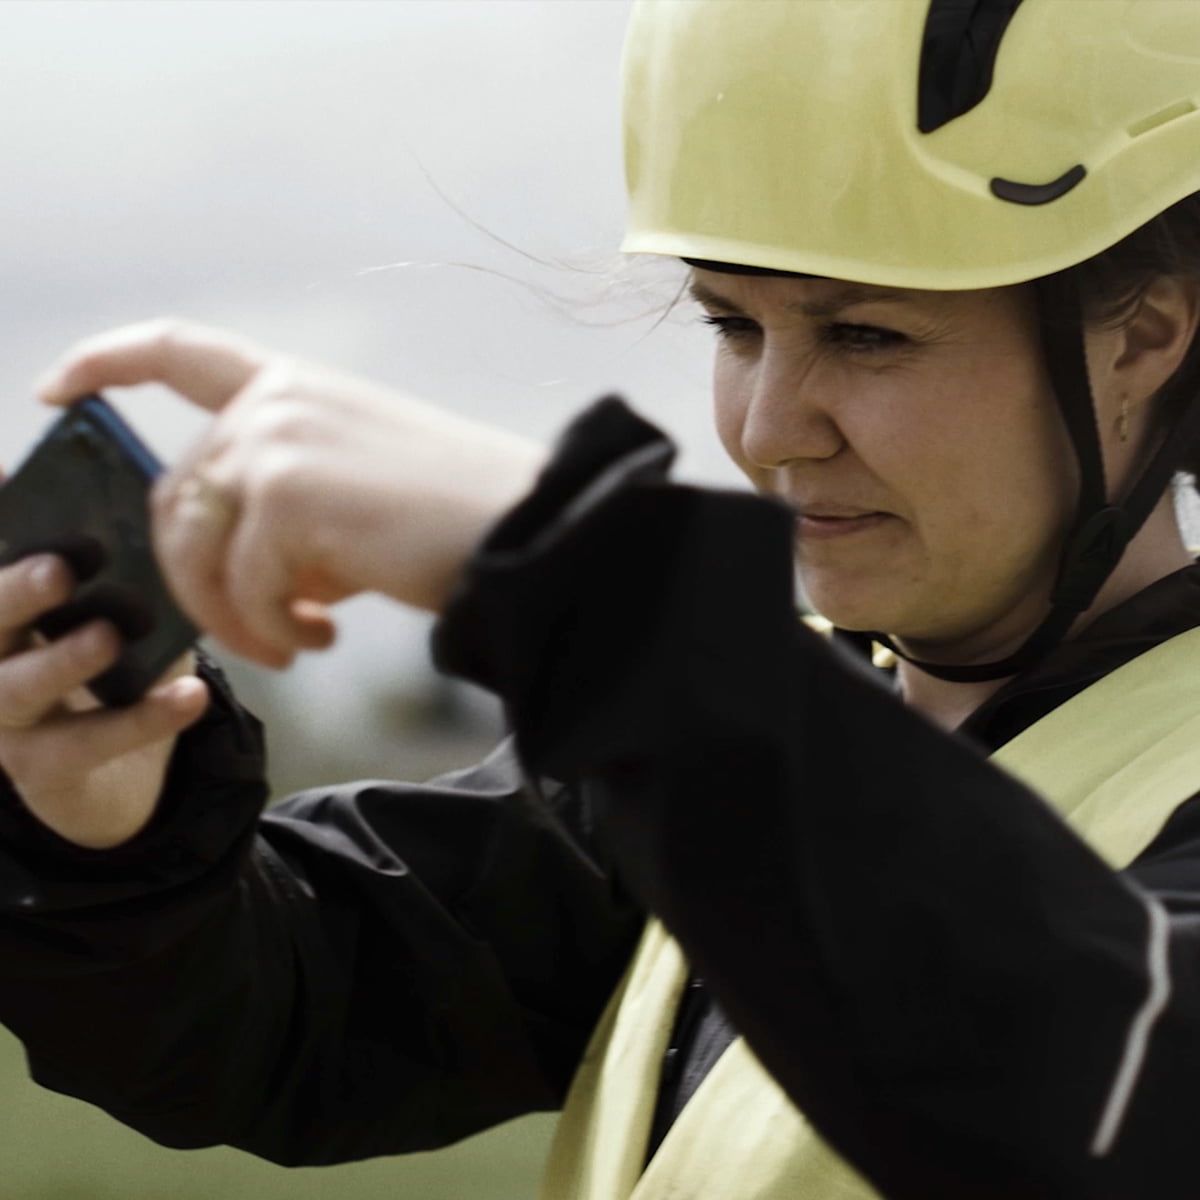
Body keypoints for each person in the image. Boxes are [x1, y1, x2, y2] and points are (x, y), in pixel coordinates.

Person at [3, 1, 1200, 1196]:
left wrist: (592, 581)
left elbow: (1103, 1089)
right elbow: (282, 1014)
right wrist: (113, 822)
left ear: (1144, 335)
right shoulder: (737, 743)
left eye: (870, 335)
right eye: (732, 324)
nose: (770, 431)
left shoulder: (729, 742)